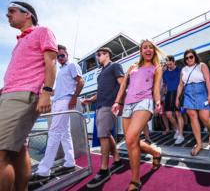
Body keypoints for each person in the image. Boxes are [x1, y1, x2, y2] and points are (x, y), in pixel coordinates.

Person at [0, 1, 57, 191]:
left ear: (27, 15)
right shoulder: (20, 40)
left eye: (12, 11)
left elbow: (51, 62)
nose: (7, 15)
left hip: (23, 96)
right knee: (18, 151)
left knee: (1, 152)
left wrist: (46, 93)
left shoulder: (42, 31)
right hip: (11, 95)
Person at [112, 39, 163, 191]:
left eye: (150, 47)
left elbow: (156, 88)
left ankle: (135, 181)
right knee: (130, 141)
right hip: (128, 104)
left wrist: (158, 101)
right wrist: (117, 102)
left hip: (144, 102)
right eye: (145, 47)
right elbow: (123, 86)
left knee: (130, 139)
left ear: (153, 50)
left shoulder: (157, 67)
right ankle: (155, 152)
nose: (148, 49)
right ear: (141, 51)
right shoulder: (132, 67)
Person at [30, 44, 84, 183]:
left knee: (54, 132)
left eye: (62, 55)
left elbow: (81, 81)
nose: (60, 58)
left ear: (67, 55)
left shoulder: (72, 65)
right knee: (65, 134)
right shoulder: (60, 71)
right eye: (58, 56)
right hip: (58, 101)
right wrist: (44, 91)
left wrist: (74, 96)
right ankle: (70, 162)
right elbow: (56, 91)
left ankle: (43, 171)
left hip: (65, 101)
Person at [81, 47, 125, 188]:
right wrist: (90, 100)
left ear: (107, 55)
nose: (97, 57)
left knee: (103, 136)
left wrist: (120, 103)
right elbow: (100, 93)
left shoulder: (115, 66)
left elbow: (123, 84)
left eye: (99, 55)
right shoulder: (101, 73)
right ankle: (117, 160)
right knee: (105, 134)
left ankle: (104, 169)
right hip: (99, 106)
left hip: (109, 105)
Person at [176, 49, 210, 156]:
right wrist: (177, 98)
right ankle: (199, 143)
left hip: (202, 92)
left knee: (204, 118)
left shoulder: (201, 66)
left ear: (195, 57)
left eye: (191, 57)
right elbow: (180, 85)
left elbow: (208, 80)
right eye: (186, 58)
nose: (189, 59)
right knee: (193, 118)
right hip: (188, 94)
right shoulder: (183, 70)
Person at [161, 55, 185, 144]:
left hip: (178, 92)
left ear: (174, 62)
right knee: (168, 114)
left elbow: (182, 83)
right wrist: (161, 96)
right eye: (168, 65)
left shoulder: (180, 70)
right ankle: (178, 129)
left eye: (170, 64)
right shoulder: (165, 73)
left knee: (178, 114)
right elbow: (164, 86)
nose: (169, 66)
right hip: (168, 94)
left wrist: (180, 95)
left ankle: (181, 135)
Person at [159, 61, 171, 135]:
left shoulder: (168, 74)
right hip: (160, 97)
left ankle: (174, 128)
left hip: (168, 95)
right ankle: (167, 129)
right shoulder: (157, 76)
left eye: (164, 66)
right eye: (161, 66)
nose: (163, 67)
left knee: (171, 113)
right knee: (163, 114)